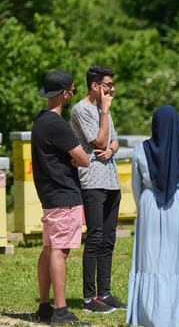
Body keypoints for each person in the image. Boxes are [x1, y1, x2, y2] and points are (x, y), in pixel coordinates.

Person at [126, 105, 179, 327]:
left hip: (149, 204)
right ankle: (176, 315)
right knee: (177, 259)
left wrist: (146, 207)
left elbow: (136, 186)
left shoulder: (140, 149)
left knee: (150, 259)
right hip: (178, 205)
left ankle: (150, 313)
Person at [32, 70, 91, 326]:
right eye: (73, 91)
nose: (73, 95)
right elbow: (84, 159)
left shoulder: (40, 120)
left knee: (48, 249)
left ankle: (45, 306)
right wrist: (75, 156)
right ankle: (61, 310)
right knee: (60, 251)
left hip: (48, 194)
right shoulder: (57, 124)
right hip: (64, 194)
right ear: (65, 92)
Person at [70, 65, 125, 313]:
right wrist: (104, 112)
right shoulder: (82, 110)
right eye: (108, 85)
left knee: (108, 239)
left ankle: (105, 293)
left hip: (111, 180)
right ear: (95, 86)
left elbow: (114, 141)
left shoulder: (104, 109)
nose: (112, 89)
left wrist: (112, 150)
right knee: (94, 238)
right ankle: (89, 298)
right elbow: (100, 140)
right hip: (92, 181)